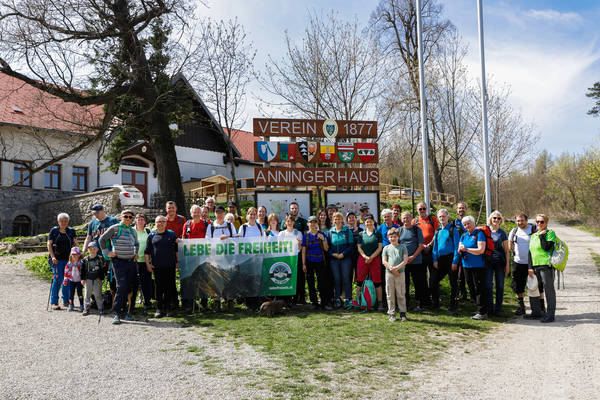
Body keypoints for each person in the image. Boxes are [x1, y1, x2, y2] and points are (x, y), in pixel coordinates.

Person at [99, 209, 139, 325]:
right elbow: (102, 239)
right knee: (121, 286)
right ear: (121, 217)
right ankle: (117, 313)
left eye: (130, 217)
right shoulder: (115, 228)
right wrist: (107, 253)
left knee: (128, 287)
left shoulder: (133, 231)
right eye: (125, 216)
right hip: (119, 262)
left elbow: (136, 244)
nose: (128, 219)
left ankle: (125, 312)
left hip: (131, 262)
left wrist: (135, 253)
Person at [145, 215, 178, 318]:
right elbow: (147, 252)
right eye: (158, 222)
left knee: (169, 287)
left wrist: (177, 262)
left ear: (166, 223)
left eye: (163, 221)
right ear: (155, 223)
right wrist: (148, 264)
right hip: (157, 266)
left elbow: (176, 250)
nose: (161, 223)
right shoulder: (151, 235)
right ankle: (159, 308)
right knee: (158, 288)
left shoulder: (171, 234)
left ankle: (168, 308)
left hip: (170, 266)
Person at [525, 214, 556, 323]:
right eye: (537, 221)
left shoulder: (550, 233)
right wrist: (530, 267)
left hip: (545, 265)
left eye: (542, 222)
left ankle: (550, 315)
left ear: (546, 223)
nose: (539, 224)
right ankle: (536, 313)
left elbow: (546, 247)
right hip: (535, 266)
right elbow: (530, 252)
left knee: (548, 290)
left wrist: (542, 236)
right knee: (533, 288)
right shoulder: (534, 235)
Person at [458, 216, 488, 320]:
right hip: (466, 265)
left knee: (479, 288)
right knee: (472, 288)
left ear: (473, 223)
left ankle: (482, 312)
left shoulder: (479, 234)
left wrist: (466, 249)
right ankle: (479, 309)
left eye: (468, 223)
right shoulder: (464, 235)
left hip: (478, 266)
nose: (467, 226)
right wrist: (461, 249)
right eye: (465, 224)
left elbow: (481, 250)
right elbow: (459, 248)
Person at [431, 209, 461, 313]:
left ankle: (453, 305)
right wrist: (435, 260)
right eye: (440, 216)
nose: (442, 218)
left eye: (444, 216)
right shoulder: (438, 230)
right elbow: (435, 247)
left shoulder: (453, 229)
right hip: (440, 259)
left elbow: (457, 247)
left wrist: (455, 261)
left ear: (448, 217)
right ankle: (435, 303)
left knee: (453, 283)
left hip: (451, 258)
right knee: (433, 281)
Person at [47, 213, 78, 309]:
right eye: (62, 221)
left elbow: (75, 244)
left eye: (66, 221)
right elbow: (49, 244)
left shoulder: (71, 231)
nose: (64, 223)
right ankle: (54, 302)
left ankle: (66, 300)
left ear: (68, 222)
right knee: (57, 280)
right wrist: (52, 257)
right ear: (58, 221)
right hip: (56, 260)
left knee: (67, 279)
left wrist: (75, 256)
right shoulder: (54, 231)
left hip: (68, 260)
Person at [508, 213, 536, 315]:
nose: (520, 223)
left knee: (535, 285)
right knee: (518, 286)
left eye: (522, 221)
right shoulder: (514, 231)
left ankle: (537, 308)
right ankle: (521, 307)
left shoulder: (533, 230)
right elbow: (510, 245)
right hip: (518, 262)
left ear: (527, 220)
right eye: (518, 221)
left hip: (532, 263)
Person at [398, 211, 426, 312]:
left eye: (407, 217)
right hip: (403, 262)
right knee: (404, 283)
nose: (406, 220)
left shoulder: (416, 229)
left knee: (418, 283)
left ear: (411, 218)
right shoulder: (399, 230)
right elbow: (397, 245)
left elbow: (421, 245)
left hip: (416, 261)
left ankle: (419, 304)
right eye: (404, 218)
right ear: (401, 219)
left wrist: (413, 256)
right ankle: (406, 303)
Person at [182, 205, 209, 310]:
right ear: (191, 213)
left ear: (201, 213)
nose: (196, 214)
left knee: (204, 280)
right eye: (194, 212)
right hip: (190, 258)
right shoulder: (187, 224)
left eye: (198, 212)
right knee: (191, 280)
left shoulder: (207, 224)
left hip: (204, 257)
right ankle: (191, 303)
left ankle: (204, 304)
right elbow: (184, 239)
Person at [302, 216, 331, 310]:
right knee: (310, 283)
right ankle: (314, 303)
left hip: (320, 261)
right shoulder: (305, 235)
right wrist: (303, 264)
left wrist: (323, 239)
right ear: (308, 224)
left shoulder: (321, 234)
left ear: (317, 224)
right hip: (309, 261)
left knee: (322, 282)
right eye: (311, 222)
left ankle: (324, 302)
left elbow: (326, 249)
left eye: (314, 222)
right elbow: (303, 250)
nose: (312, 224)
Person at [413, 202, 439, 308]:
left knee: (433, 278)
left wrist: (429, 245)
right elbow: (413, 235)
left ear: (426, 209)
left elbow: (437, 233)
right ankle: (424, 301)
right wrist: (422, 246)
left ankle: (435, 301)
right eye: (420, 209)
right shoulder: (414, 221)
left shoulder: (432, 219)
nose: (422, 211)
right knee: (421, 278)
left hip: (432, 251)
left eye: (424, 208)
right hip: (420, 252)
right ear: (417, 210)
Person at [382, 228, 409, 322]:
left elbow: (405, 260)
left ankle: (402, 313)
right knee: (390, 294)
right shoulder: (386, 248)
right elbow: (384, 261)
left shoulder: (402, 247)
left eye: (394, 236)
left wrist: (396, 269)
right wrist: (391, 269)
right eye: (391, 237)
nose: (393, 238)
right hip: (389, 274)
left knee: (400, 293)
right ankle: (392, 313)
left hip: (400, 273)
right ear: (388, 238)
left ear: (398, 237)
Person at [357, 214, 384, 310]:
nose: (369, 223)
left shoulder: (378, 233)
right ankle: (359, 301)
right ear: (364, 223)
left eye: (370, 221)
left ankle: (380, 303)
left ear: (373, 222)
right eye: (367, 221)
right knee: (359, 282)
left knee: (377, 282)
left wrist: (371, 257)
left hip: (375, 259)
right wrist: (365, 257)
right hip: (362, 259)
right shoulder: (361, 234)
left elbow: (380, 247)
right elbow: (359, 247)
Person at [327, 212, 354, 308]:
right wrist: (332, 254)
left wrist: (343, 254)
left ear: (342, 220)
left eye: (339, 219)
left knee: (346, 279)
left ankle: (348, 299)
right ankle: (337, 299)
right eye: (335, 219)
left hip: (345, 259)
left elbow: (351, 246)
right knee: (337, 279)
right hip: (334, 259)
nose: (337, 221)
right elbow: (327, 247)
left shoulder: (347, 231)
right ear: (332, 220)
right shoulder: (330, 232)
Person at [486, 210, 510, 316]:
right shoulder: (486, 231)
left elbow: (506, 251)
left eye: (498, 218)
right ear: (491, 219)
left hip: (500, 262)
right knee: (488, 285)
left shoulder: (502, 233)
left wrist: (507, 265)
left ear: (501, 220)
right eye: (494, 218)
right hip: (488, 262)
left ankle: (498, 309)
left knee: (500, 285)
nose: (496, 220)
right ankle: (490, 308)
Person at [279, 215, 304, 305]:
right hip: (285, 259)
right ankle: (286, 299)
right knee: (286, 278)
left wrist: (299, 243)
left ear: (294, 222)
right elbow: (279, 248)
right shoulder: (282, 234)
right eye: (288, 221)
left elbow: (300, 248)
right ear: (285, 223)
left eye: (291, 221)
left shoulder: (298, 233)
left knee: (296, 279)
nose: (289, 223)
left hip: (296, 258)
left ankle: (296, 298)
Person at [377, 209, 399, 311]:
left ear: (391, 217)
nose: (386, 218)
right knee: (385, 278)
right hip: (384, 255)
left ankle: (397, 301)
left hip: (395, 255)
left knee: (395, 277)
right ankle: (386, 301)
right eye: (385, 217)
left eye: (388, 216)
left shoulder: (397, 227)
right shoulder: (380, 228)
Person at [81, 242, 108, 316]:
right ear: (88, 250)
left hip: (97, 279)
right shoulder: (85, 259)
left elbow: (103, 268)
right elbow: (82, 270)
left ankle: (100, 308)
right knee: (87, 294)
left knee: (98, 294)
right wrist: (82, 279)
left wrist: (102, 277)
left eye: (94, 249)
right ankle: (86, 308)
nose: (92, 251)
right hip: (88, 279)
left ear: (97, 249)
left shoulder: (100, 259)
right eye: (90, 249)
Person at [133, 214, 153, 310]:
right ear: (135, 221)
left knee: (146, 282)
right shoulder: (131, 231)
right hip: (134, 261)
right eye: (138, 219)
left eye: (142, 219)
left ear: (145, 221)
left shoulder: (148, 231)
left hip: (146, 261)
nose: (140, 221)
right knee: (134, 282)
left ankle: (147, 301)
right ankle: (132, 303)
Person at [455, 202, 469, 301]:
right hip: (458, 250)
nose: (461, 210)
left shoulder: (469, 221)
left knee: (469, 274)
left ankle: (473, 295)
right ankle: (463, 294)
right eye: (459, 208)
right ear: (457, 210)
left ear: (466, 209)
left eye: (463, 208)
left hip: (469, 250)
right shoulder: (455, 222)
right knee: (459, 275)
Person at [63, 246, 83, 312]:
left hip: (79, 281)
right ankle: (71, 304)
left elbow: (84, 271)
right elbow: (66, 272)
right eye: (73, 254)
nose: (74, 256)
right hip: (72, 280)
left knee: (80, 293)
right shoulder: (69, 264)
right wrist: (65, 279)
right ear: (71, 255)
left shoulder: (81, 263)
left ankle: (81, 305)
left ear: (79, 255)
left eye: (76, 254)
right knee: (71, 293)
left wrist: (84, 279)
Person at [346, 210, 363, 287]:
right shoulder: (345, 231)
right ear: (347, 220)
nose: (351, 219)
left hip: (359, 256)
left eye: (353, 217)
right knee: (348, 277)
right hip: (348, 257)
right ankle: (349, 294)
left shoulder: (361, 230)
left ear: (356, 219)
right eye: (349, 217)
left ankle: (359, 293)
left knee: (359, 277)